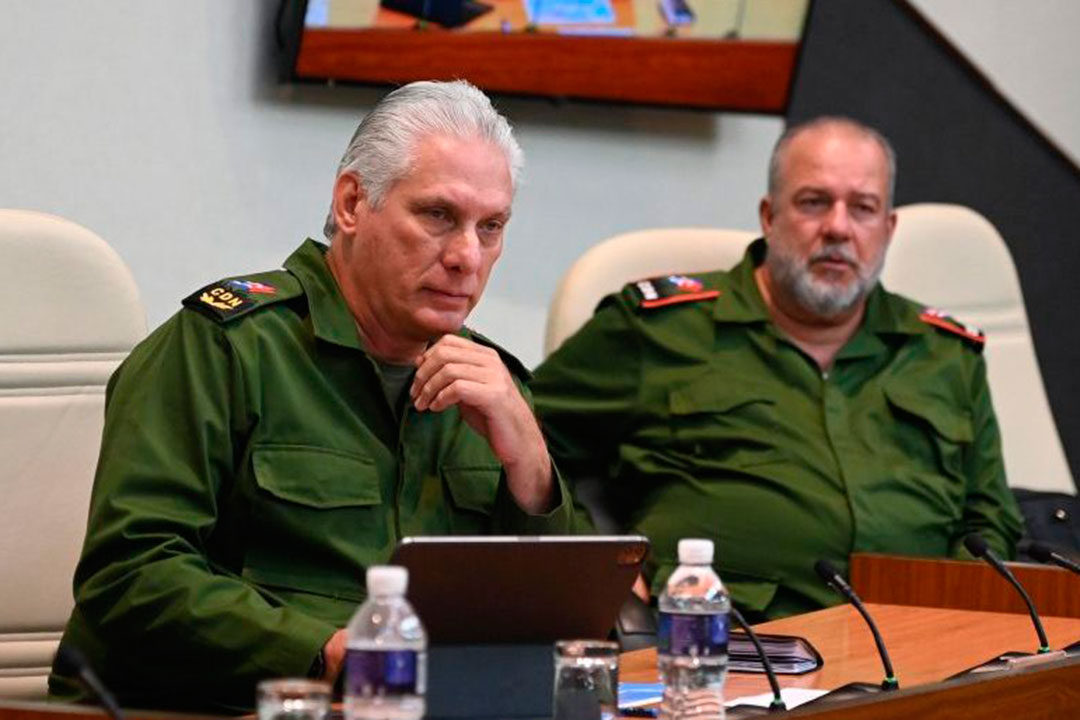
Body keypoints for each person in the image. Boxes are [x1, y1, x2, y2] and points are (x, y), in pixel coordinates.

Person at [48, 80, 573, 712]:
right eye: (438, 216)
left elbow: (565, 621)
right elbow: (130, 576)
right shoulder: (227, 347)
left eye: (491, 227)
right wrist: (324, 653)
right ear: (352, 203)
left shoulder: (495, 385)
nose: (467, 255)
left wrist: (532, 472)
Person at [531, 117, 1023, 621]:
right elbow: (523, 438)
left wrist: (957, 631)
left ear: (888, 228)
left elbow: (990, 523)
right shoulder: (657, 330)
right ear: (769, 216)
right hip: (724, 652)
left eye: (863, 208)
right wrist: (598, 564)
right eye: (813, 202)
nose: (838, 227)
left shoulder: (945, 356)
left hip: (916, 654)